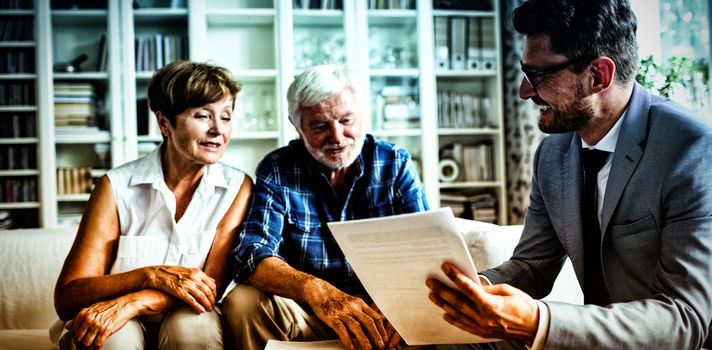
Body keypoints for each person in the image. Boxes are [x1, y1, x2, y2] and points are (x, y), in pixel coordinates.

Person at [426, 0, 712, 349]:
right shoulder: (552, 153)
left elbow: (685, 318)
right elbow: (533, 266)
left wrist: (539, 320)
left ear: (599, 75)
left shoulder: (691, 148)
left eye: (539, 76)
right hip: (588, 337)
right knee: (448, 339)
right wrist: (470, 292)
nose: (524, 91)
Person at [223, 64, 429, 350]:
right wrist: (316, 290)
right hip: (309, 315)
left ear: (362, 115)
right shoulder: (278, 169)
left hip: (387, 314)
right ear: (298, 127)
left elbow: (425, 249)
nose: (337, 136)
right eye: (320, 126)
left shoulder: (395, 163)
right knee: (242, 301)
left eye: (346, 120)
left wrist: (400, 304)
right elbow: (253, 255)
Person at [53, 60, 253, 350]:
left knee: (194, 329)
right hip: (115, 316)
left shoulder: (238, 187)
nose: (217, 130)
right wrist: (151, 276)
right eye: (202, 116)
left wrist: (136, 301)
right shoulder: (116, 186)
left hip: (186, 312)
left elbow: (211, 287)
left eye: (226, 116)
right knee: (110, 341)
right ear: (164, 123)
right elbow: (68, 298)